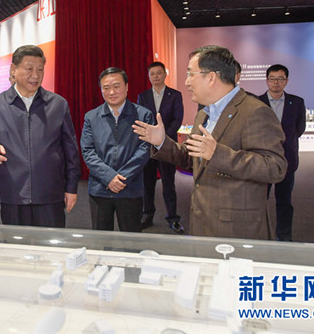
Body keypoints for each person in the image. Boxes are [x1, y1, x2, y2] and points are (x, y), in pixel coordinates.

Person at [133, 45, 287, 240]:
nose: (187, 82)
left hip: (236, 231)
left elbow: (275, 167)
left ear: (211, 77)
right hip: (202, 223)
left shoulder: (255, 111)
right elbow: (190, 158)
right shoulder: (203, 114)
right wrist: (162, 142)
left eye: (190, 74)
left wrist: (217, 154)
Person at [0, 45, 81, 227]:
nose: (35, 75)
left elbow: (71, 150)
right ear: (13, 70)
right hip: (13, 194)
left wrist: (71, 187)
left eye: (40, 70)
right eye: (29, 69)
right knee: (15, 243)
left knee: (51, 242)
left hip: (50, 194)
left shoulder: (58, 104)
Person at [81, 67, 152, 232]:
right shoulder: (91, 117)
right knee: (101, 239)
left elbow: (144, 150)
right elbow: (88, 151)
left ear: (126, 87)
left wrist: (121, 179)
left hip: (130, 189)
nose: (111, 92)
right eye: (106, 88)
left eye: (116, 86)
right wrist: (109, 177)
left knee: (131, 239)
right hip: (100, 190)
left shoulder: (143, 115)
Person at [259, 64, 306, 241]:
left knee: (284, 202)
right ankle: (259, 234)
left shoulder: (297, 102)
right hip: (262, 160)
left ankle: (284, 237)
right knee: (259, 201)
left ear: (286, 81)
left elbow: (299, 128)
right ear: (267, 81)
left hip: (287, 160)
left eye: (280, 79)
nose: (276, 83)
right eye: (272, 79)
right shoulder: (256, 102)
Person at [137, 62, 184, 233]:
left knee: (168, 183)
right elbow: (140, 119)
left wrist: (163, 138)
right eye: (152, 74)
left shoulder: (175, 95)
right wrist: (152, 138)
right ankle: (147, 215)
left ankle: (173, 218)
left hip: (167, 146)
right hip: (148, 147)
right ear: (149, 77)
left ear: (165, 74)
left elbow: (177, 119)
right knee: (147, 183)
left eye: (159, 73)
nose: (155, 76)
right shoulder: (143, 96)